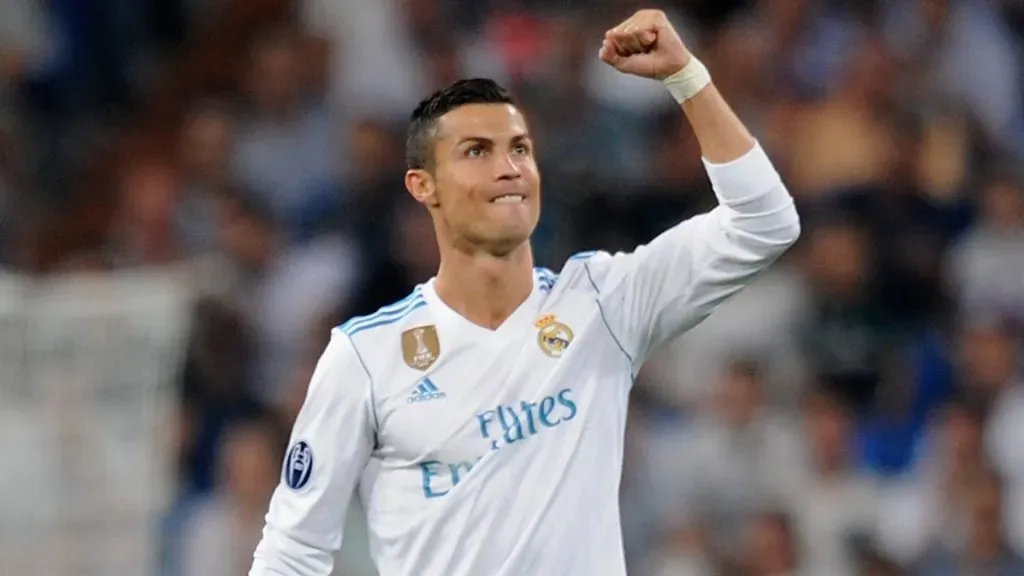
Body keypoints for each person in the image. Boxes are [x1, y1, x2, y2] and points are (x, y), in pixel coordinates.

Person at [250, 9, 801, 576]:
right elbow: (293, 550)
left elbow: (765, 223)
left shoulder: (602, 302)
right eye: (477, 152)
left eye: (520, 149)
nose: (509, 167)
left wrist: (687, 78)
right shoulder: (366, 356)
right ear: (424, 186)